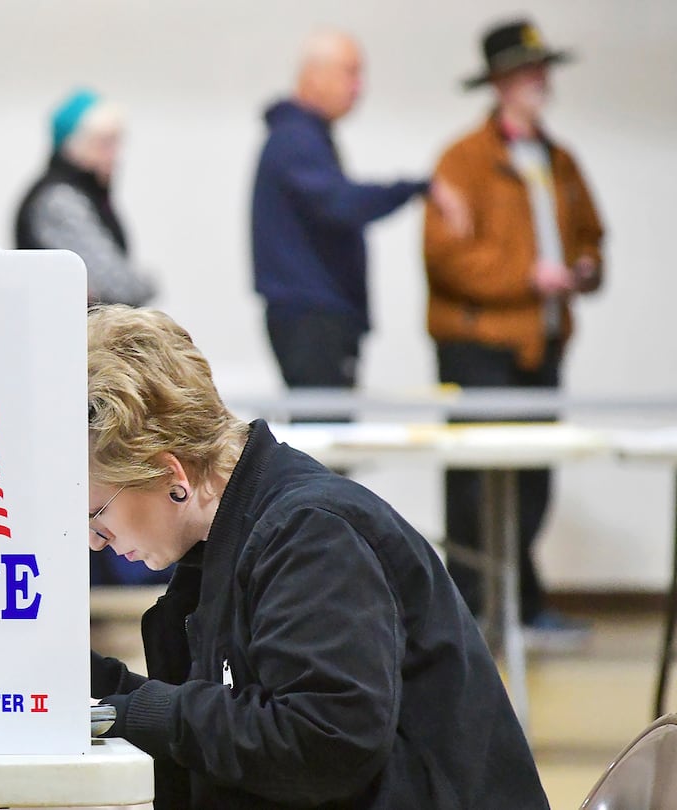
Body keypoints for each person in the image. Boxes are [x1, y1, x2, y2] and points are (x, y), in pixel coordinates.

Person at [86, 305, 548, 809]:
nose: (95, 539)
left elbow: (324, 741)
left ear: (168, 472)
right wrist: (94, 688)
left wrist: (129, 713)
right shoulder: (227, 543)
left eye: (96, 511)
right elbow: (223, 721)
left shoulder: (313, 533)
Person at [424, 18, 604, 641]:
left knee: (534, 479)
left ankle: (522, 606)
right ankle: (469, 613)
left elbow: (591, 235)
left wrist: (584, 269)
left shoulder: (559, 160)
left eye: (542, 69)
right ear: (499, 82)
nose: (539, 81)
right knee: (475, 484)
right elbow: (448, 257)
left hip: (542, 345)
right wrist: (529, 276)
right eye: (527, 71)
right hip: (478, 347)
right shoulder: (462, 159)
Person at [252, 30, 468, 393]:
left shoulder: (304, 137)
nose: (359, 87)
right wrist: (417, 188)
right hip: (313, 316)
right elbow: (342, 203)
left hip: (317, 314)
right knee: (326, 434)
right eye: (350, 73)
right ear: (315, 75)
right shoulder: (296, 140)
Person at [15, 88, 158, 308]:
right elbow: (117, 285)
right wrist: (149, 283)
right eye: (105, 143)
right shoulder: (58, 200)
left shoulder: (85, 194)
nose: (115, 154)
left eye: (117, 142)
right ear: (75, 145)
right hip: (72, 335)